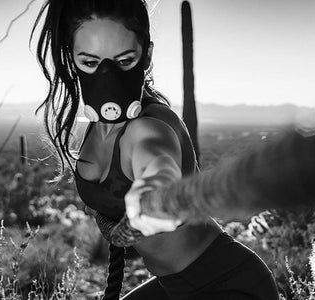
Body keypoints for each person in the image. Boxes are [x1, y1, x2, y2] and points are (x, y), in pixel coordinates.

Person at [31, 0, 279, 299]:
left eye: (124, 61)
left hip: (227, 283)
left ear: (146, 55)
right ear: (73, 60)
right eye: (90, 62)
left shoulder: (149, 127)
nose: (107, 76)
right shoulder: (99, 126)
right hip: (175, 286)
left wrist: (156, 192)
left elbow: (159, 163)